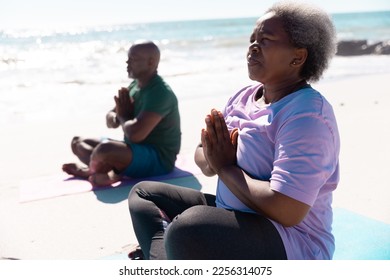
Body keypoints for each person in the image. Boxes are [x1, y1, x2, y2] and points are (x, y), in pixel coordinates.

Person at [128, 1, 340, 260]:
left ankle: (169, 254)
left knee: (188, 228)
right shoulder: (243, 97)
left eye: (265, 40)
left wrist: (226, 168)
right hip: (233, 213)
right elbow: (203, 158)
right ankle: (166, 260)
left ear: (298, 56)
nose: (253, 46)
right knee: (145, 195)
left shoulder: (307, 115)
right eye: (253, 38)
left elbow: (288, 210)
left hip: (290, 240)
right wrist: (213, 157)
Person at [62, 41, 181, 187]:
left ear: (151, 62)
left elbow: (135, 135)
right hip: (132, 149)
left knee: (105, 149)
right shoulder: (134, 86)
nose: (127, 62)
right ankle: (105, 170)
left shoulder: (160, 93)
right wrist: (118, 117)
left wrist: (123, 116)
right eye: (127, 58)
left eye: (133, 59)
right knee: (78, 142)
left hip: (158, 159)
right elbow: (110, 117)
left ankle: (93, 171)